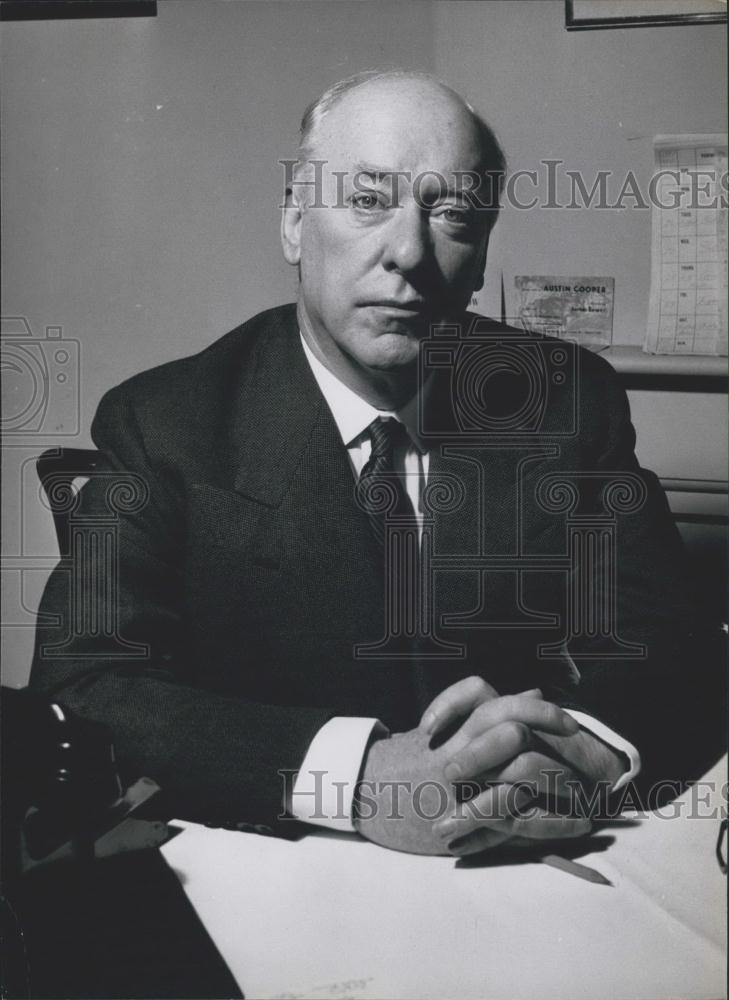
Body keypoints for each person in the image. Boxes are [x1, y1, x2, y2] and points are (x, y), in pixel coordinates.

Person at [30, 71, 722, 858]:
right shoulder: (164, 421)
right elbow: (85, 687)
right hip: (278, 872)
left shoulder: (566, 399)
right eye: (367, 201)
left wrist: (588, 747)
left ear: (482, 247)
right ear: (294, 221)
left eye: (452, 213)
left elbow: (673, 645)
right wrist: (351, 778)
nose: (409, 252)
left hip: (529, 869)